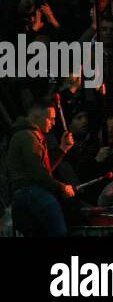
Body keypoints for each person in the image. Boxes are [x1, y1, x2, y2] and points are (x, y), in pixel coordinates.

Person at [5, 95, 77, 235]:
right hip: (31, 193)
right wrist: (62, 187)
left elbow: (43, 170)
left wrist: (63, 149)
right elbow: (38, 173)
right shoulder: (27, 137)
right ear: (36, 115)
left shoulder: (28, 136)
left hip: (24, 195)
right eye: (50, 118)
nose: (53, 122)